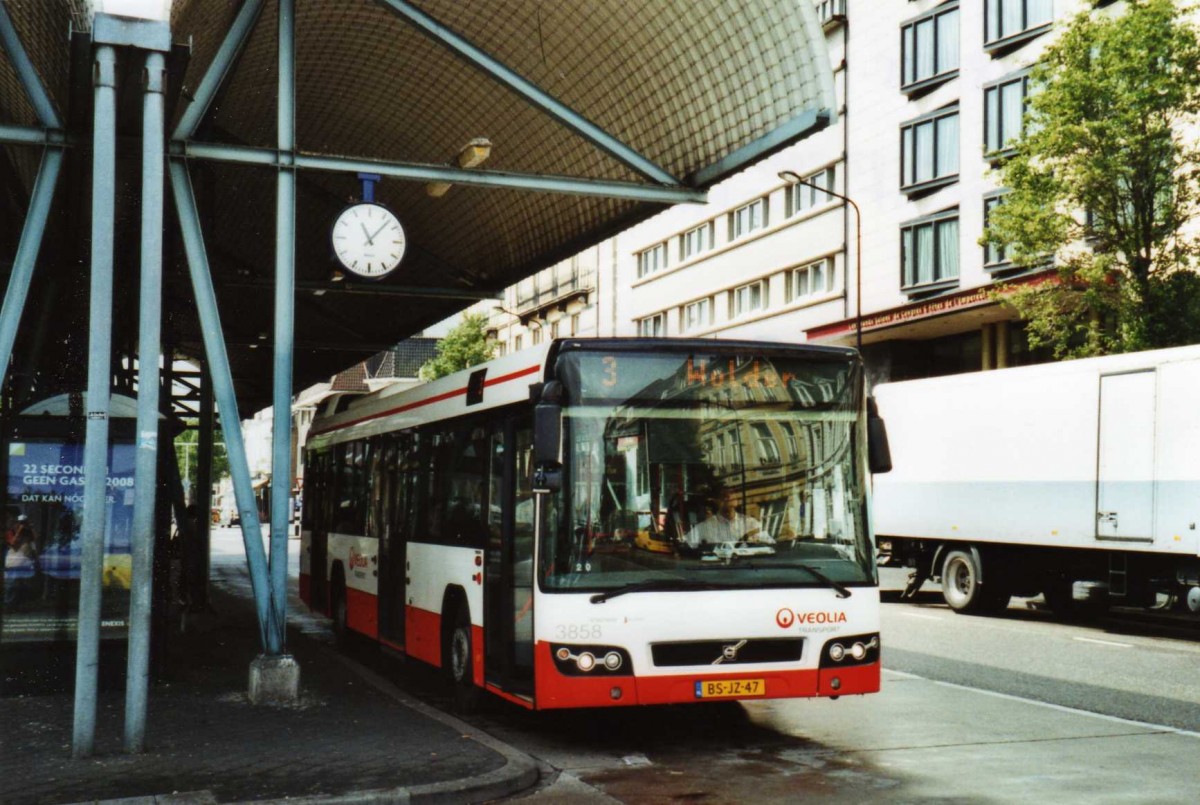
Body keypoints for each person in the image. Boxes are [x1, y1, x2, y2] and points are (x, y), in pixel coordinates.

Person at [683, 488, 769, 548]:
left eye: (732, 493)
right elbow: (685, 548)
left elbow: (770, 546)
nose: (729, 496)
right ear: (715, 501)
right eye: (723, 495)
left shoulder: (751, 524)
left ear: (736, 499)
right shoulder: (704, 527)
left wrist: (756, 542)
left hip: (747, 567)